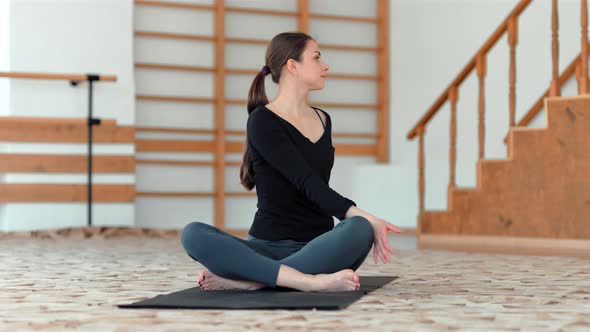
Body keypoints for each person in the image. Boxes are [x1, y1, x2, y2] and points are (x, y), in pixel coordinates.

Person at [181, 32, 401, 292]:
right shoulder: (263, 121)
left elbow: (317, 189)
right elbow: (307, 183)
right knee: (193, 234)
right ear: (292, 66)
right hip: (265, 247)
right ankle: (307, 281)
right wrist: (368, 215)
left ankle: (254, 282)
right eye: (317, 57)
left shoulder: (323, 119)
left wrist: (366, 221)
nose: (325, 65)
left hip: (318, 247)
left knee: (360, 229)